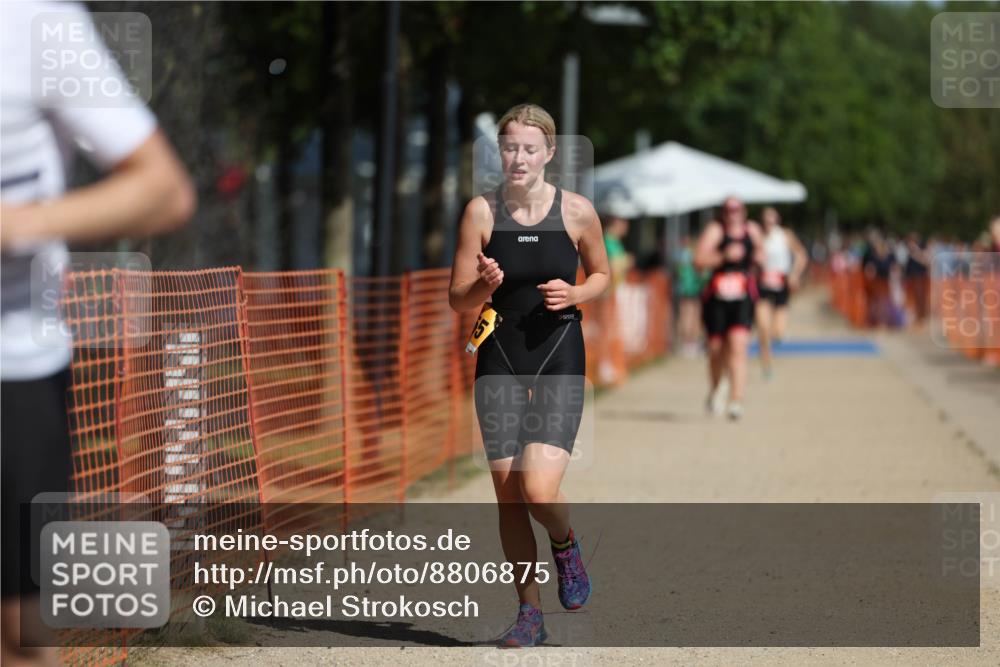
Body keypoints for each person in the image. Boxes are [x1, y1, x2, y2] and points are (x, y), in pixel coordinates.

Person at [1, 3, 195, 664]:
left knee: (18, 641)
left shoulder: (35, 23)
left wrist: (13, 225)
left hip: (13, 375)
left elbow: (162, 189)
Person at [448, 103, 610, 647]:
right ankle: (528, 613)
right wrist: (483, 285)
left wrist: (578, 291)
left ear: (549, 153)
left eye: (529, 148)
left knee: (540, 489)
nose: (518, 158)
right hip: (500, 350)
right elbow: (457, 298)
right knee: (508, 494)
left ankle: (564, 543)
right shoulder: (480, 213)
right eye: (510, 147)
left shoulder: (578, 212)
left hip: (559, 349)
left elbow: (603, 273)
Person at [694, 197, 764, 420]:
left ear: (744, 211)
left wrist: (759, 258)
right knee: (715, 349)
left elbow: (762, 253)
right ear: (723, 213)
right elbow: (698, 259)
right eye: (728, 209)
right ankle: (717, 387)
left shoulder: (752, 230)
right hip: (717, 298)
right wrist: (723, 256)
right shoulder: (716, 231)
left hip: (742, 296)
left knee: (738, 346)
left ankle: (736, 400)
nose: (733, 213)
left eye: (737, 209)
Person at [754, 207, 807, 378]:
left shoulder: (785, 235)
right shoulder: (757, 236)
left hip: (781, 284)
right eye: (765, 221)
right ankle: (766, 364)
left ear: (777, 220)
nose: (768, 224)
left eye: (771, 220)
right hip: (762, 284)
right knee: (763, 328)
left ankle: (773, 344)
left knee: (778, 332)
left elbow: (801, 254)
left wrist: (794, 274)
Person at [673, 234, 706, 357]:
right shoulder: (693, 254)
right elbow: (702, 273)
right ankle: (691, 342)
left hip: (685, 289)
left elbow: (678, 272)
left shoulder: (681, 255)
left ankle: (685, 343)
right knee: (693, 315)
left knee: (684, 315)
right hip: (693, 288)